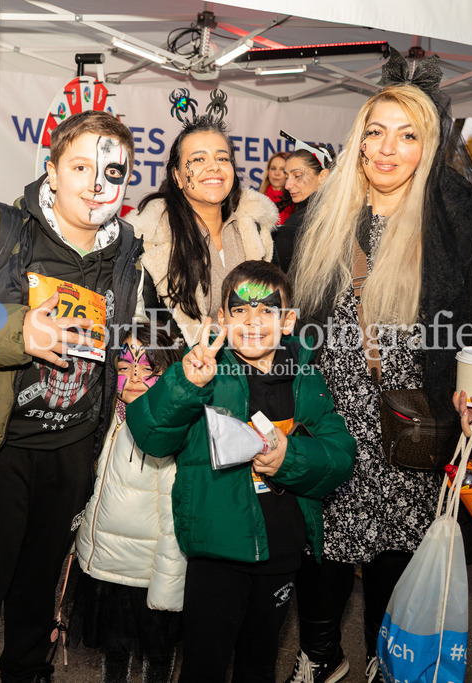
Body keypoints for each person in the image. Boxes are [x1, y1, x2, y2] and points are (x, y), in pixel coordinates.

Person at [284, 55, 472, 683]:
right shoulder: (322, 214)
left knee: (395, 549)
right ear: (358, 138)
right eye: (375, 132)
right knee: (321, 550)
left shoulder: (458, 223)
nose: (387, 149)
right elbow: (296, 316)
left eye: (407, 134)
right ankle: (320, 655)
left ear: (428, 145)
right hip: (329, 420)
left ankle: (380, 659)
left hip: (411, 427)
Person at [0, 110, 144, 683]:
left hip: (69, 455)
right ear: (51, 172)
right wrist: (18, 332)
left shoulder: (126, 255)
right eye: (81, 167)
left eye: (112, 171)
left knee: (38, 603)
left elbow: (122, 340)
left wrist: (133, 372)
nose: (97, 184)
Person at [127, 260, 356, 683]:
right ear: (221, 320)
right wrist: (185, 385)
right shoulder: (204, 374)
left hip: (281, 551)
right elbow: (150, 434)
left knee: (259, 661)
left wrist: (291, 459)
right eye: (239, 310)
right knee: (204, 665)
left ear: (287, 322)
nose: (253, 321)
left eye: (267, 311)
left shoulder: (305, 378)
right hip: (217, 550)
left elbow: (341, 454)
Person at [69, 325, 187, 683]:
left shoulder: (168, 433)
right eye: (123, 368)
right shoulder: (112, 419)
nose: (133, 378)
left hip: (148, 577)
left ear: (169, 372)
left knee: (157, 653)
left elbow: (172, 517)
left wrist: (168, 586)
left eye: (147, 368)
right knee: (114, 650)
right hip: (107, 566)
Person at [127, 115, 278, 347]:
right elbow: (145, 332)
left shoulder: (257, 232)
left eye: (222, 158)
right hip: (181, 372)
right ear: (177, 176)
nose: (214, 167)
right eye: (198, 159)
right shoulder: (150, 242)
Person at [274, 142, 332, 274]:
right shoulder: (340, 213)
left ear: (322, 176)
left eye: (297, 176)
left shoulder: (299, 223)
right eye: (287, 176)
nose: (288, 185)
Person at [258, 150, 292, 224]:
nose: (276, 173)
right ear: (268, 172)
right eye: (273, 168)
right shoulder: (256, 200)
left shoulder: (296, 203)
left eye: (282, 169)